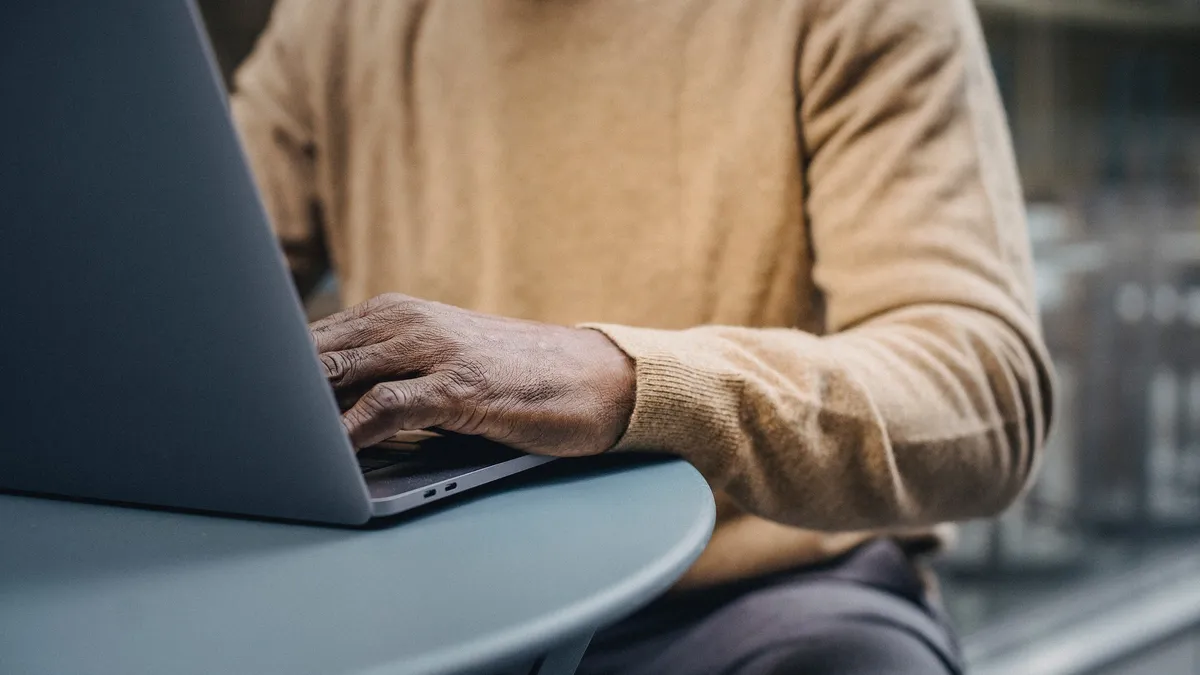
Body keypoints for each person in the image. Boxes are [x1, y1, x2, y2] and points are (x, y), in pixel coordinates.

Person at [231, 1, 1054, 672]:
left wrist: (622, 378)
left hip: (751, 605)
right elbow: (175, 300)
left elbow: (982, 391)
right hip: (423, 598)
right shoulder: (331, 22)